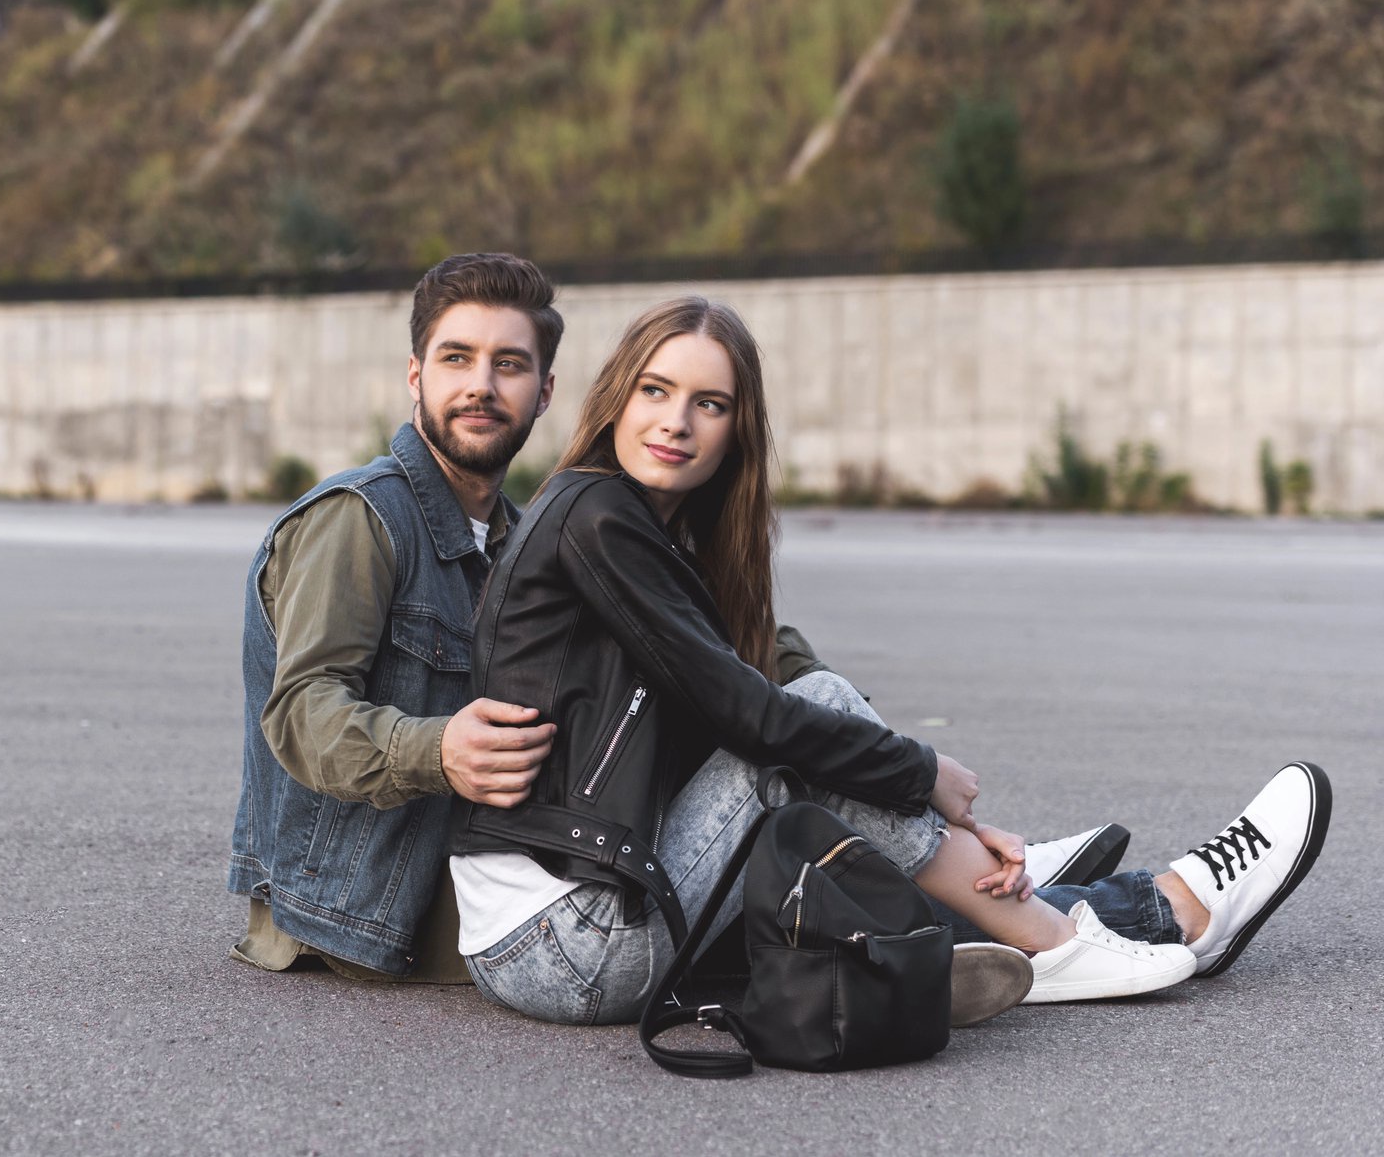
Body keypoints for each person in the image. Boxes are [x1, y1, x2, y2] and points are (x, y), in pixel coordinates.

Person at [451, 296, 1334, 1024]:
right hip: (565, 941)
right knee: (803, 730)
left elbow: (746, 697)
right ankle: (1064, 936)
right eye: (655, 390)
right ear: (615, 397)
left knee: (819, 723)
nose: (675, 422)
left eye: (708, 404)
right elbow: (753, 719)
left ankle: (1015, 906)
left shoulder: (645, 533)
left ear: (736, 429)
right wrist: (925, 773)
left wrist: (915, 794)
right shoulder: (596, 515)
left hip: (572, 916)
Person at [225, 253, 567, 980]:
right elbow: (302, 713)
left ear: (543, 393)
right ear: (416, 376)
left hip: (459, 877)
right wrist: (439, 749)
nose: (481, 383)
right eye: (457, 358)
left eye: (510, 363)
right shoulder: (361, 517)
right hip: (355, 905)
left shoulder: (521, 537)